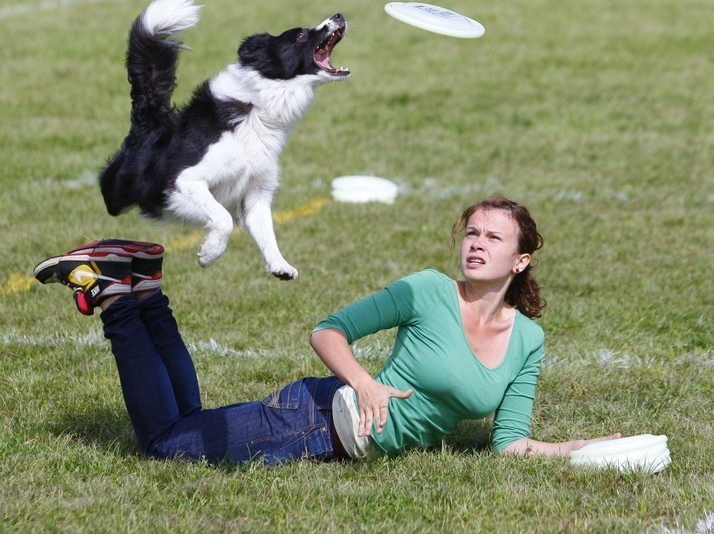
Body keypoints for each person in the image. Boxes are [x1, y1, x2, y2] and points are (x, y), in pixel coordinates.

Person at [32, 197, 619, 465]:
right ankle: (116, 297)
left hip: (330, 438)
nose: (476, 243)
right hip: (312, 419)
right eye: (471, 233)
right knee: (163, 443)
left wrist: (589, 448)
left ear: (519, 261)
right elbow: (328, 331)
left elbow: (510, 444)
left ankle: (143, 285)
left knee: (183, 429)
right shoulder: (426, 290)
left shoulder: (527, 341)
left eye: (493, 238)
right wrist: (365, 383)